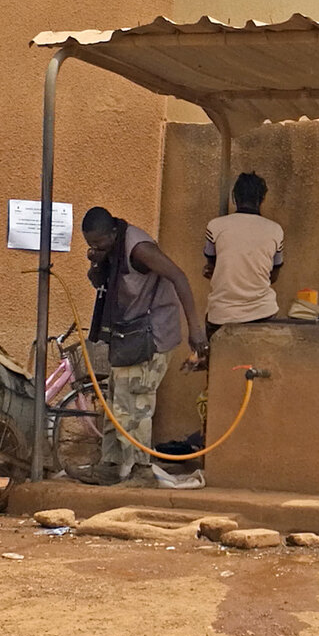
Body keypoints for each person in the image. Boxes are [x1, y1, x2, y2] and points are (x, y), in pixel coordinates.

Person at [80, 206, 207, 486]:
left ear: (114, 232)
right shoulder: (109, 250)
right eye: (91, 244)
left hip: (152, 335)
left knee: (135, 403)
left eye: (100, 243)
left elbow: (179, 277)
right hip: (127, 335)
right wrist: (97, 261)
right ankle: (110, 465)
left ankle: (140, 470)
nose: (95, 247)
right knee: (115, 401)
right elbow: (97, 282)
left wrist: (195, 329)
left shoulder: (139, 249)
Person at [203, 172, 284, 338]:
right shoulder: (275, 230)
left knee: (218, 362)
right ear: (262, 199)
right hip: (263, 312)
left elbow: (211, 266)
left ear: (235, 198)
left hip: (221, 315)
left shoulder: (215, 226)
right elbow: (273, 276)